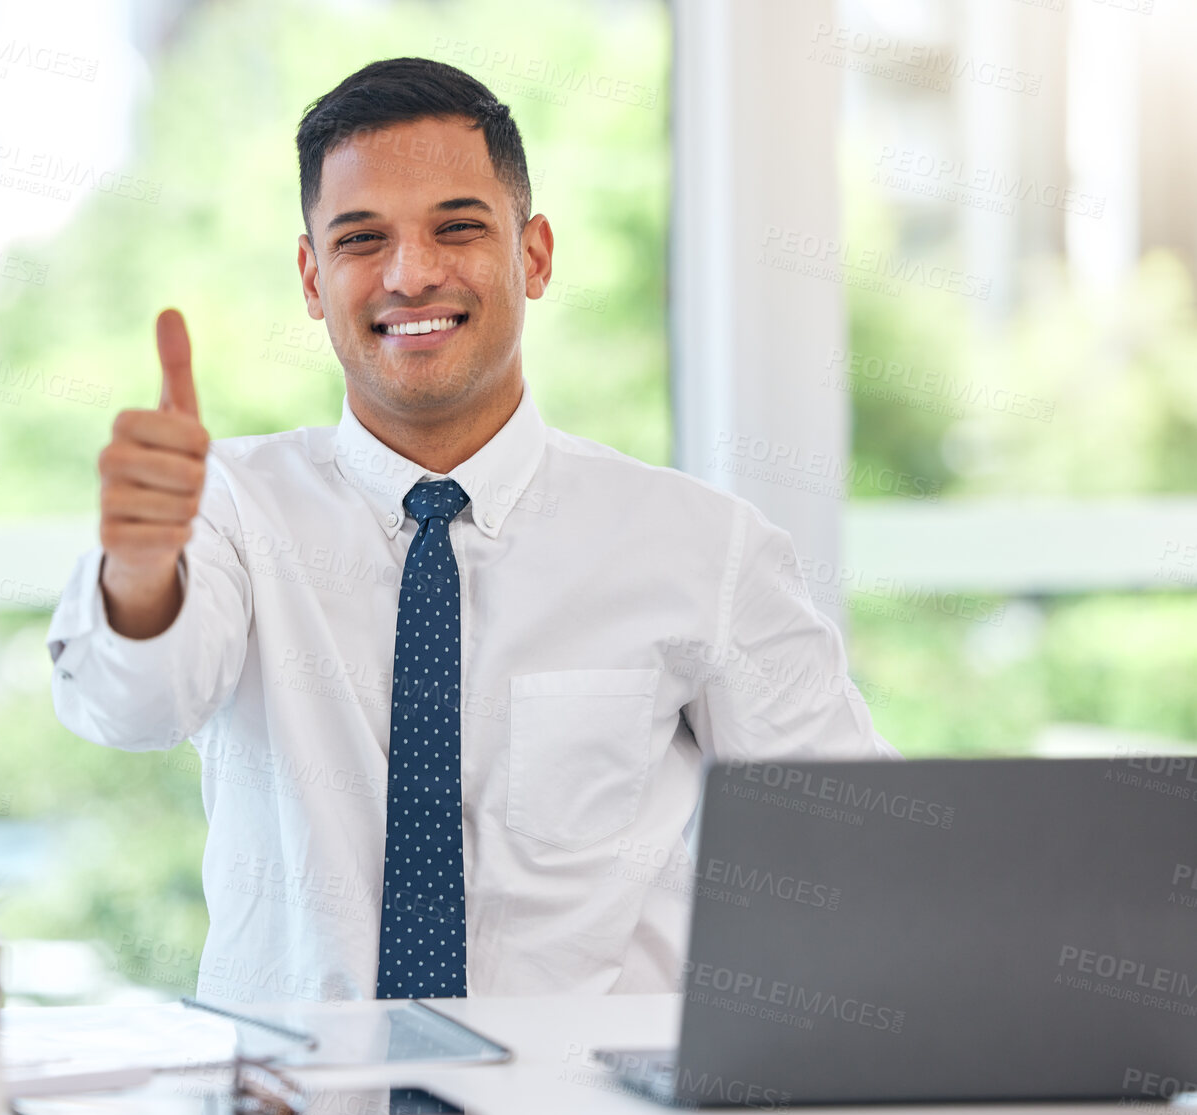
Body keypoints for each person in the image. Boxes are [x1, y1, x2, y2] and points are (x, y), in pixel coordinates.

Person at [46, 57, 897, 1004]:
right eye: (361, 238)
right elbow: (132, 710)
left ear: (532, 255)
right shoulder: (228, 509)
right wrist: (136, 569)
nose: (411, 275)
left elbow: (855, 853)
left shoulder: (701, 547)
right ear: (310, 274)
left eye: (457, 227)